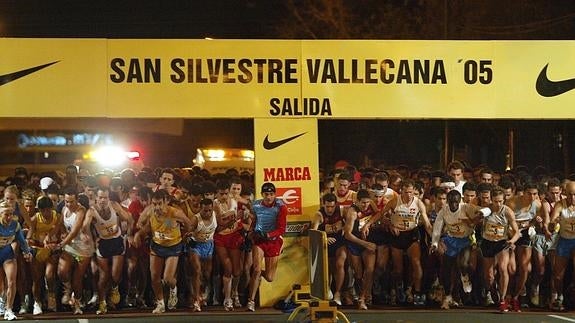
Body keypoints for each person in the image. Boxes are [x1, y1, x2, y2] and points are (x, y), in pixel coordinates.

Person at [134, 189, 192, 314]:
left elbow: (189, 224)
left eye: (160, 203)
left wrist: (186, 234)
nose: (157, 207)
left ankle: (173, 289)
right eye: (154, 204)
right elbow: (139, 223)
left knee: (167, 278)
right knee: (154, 276)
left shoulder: (175, 212)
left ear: (166, 201)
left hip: (173, 246)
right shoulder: (149, 210)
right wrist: (139, 233)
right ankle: (160, 303)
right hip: (157, 245)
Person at [431, 190, 488, 309]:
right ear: (447, 201)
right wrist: (435, 244)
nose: (453, 205)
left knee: (463, 263)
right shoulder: (444, 211)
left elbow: (488, 210)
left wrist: (481, 212)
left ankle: (465, 276)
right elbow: (437, 228)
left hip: (465, 240)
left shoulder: (466, 207)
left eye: (456, 202)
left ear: (460, 201)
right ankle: (447, 297)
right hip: (451, 240)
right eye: (451, 202)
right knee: (446, 269)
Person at [85, 187, 134, 315]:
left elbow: (129, 219)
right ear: (96, 198)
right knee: (103, 276)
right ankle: (102, 303)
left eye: (105, 197)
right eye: (100, 197)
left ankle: (114, 288)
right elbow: (85, 227)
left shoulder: (114, 205)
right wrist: (91, 239)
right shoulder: (92, 211)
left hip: (117, 241)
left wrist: (129, 235)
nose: (103, 200)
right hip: (103, 243)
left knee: (115, 275)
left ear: (109, 198)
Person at [505, 182, 548, 311]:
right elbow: (504, 221)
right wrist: (512, 238)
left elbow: (539, 222)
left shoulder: (538, 205)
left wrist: (538, 222)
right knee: (512, 270)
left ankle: (516, 297)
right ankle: (507, 296)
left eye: (535, 194)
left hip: (525, 235)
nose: (532, 196)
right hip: (510, 233)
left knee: (524, 268)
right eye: (529, 193)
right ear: (523, 192)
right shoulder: (512, 203)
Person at [246, 182, 287, 312]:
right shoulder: (256, 205)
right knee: (257, 269)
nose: (269, 197)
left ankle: (255, 276)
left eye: (271, 194)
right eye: (266, 194)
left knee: (269, 277)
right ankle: (250, 301)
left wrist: (268, 234)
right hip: (259, 240)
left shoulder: (281, 207)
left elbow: (282, 229)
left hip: (273, 241)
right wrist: (250, 233)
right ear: (262, 194)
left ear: (275, 194)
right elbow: (253, 221)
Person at [479, 186, 520, 313]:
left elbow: (517, 232)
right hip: (487, 242)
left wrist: (512, 241)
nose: (498, 204)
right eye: (496, 201)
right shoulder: (486, 210)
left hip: (502, 243)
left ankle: (503, 299)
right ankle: (493, 292)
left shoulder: (507, 211)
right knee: (489, 276)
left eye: (501, 201)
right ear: (491, 200)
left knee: (503, 268)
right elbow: (475, 220)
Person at [57, 187, 95, 315]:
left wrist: (62, 243)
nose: (68, 204)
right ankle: (67, 289)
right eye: (66, 201)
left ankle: (77, 302)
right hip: (70, 246)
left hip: (83, 248)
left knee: (77, 279)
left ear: (77, 200)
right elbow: (60, 224)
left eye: (71, 201)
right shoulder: (64, 209)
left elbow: (74, 231)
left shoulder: (81, 210)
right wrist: (60, 233)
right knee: (62, 271)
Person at [311, 193, 347, 306]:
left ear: (335, 204)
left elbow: (352, 221)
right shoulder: (319, 214)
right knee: (329, 269)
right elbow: (314, 233)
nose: (330, 209)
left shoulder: (342, 211)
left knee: (340, 264)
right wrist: (324, 239)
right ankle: (327, 291)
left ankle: (338, 293)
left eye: (332, 206)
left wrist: (347, 227)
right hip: (325, 244)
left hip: (340, 243)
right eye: (327, 207)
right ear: (323, 204)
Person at [26, 196, 61, 315]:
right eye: (43, 210)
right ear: (39, 210)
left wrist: (56, 244)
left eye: (48, 210)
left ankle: (51, 297)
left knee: (49, 275)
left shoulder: (57, 217)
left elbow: (62, 233)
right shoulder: (35, 218)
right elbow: (29, 237)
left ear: (51, 208)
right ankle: (37, 303)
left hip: (52, 250)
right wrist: (33, 243)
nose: (46, 213)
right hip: (38, 249)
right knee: (37, 279)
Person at [344, 189, 377, 310]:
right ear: (357, 201)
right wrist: (364, 244)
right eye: (363, 203)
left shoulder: (370, 204)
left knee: (370, 269)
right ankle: (358, 293)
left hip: (367, 239)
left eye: (368, 202)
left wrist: (367, 225)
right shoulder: (352, 212)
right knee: (358, 273)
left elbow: (378, 213)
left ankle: (363, 298)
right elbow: (347, 234)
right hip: (355, 242)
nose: (366, 205)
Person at [0, 201, 33, 321]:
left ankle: (9, 310)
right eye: (6, 215)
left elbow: (22, 241)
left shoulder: (15, 225)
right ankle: (1, 302)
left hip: (7, 252)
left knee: (12, 281)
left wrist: (27, 252)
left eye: (11, 214)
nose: (9, 217)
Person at [187, 198, 217, 312]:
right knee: (197, 271)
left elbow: (221, 225)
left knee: (206, 274)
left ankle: (202, 292)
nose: (207, 213)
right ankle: (196, 300)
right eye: (205, 211)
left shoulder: (215, 214)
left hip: (209, 245)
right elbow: (188, 233)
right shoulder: (195, 219)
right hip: (196, 246)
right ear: (200, 209)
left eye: (209, 210)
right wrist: (192, 234)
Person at [550, 181, 575, 311]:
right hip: (565, 240)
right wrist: (554, 222)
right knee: (558, 275)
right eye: (570, 195)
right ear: (565, 194)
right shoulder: (561, 204)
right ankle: (559, 297)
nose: (573, 198)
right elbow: (553, 218)